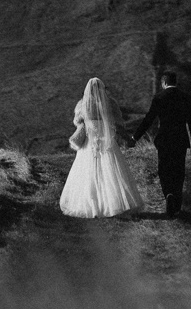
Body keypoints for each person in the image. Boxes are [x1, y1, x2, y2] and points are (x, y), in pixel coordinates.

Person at [125, 69, 191, 217]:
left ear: (164, 83)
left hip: (164, 140)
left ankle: (168, 194)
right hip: (180, 140)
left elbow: (148, 120)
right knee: (179, 171)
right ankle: (177, 204)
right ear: (175, 82)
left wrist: (135, 138)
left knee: (164, 170)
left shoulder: (159, 98)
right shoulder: (185, 97)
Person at [58, 77, 136, 218]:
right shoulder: (110, 104)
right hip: (107, 144)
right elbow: (119, 125)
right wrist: (128, 139)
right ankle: (113, 205)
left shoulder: (83, 104)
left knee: (88, 174)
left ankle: (92, 207)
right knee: (112, 174)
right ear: (102, 88)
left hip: (89, 145)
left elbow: (77, 122)